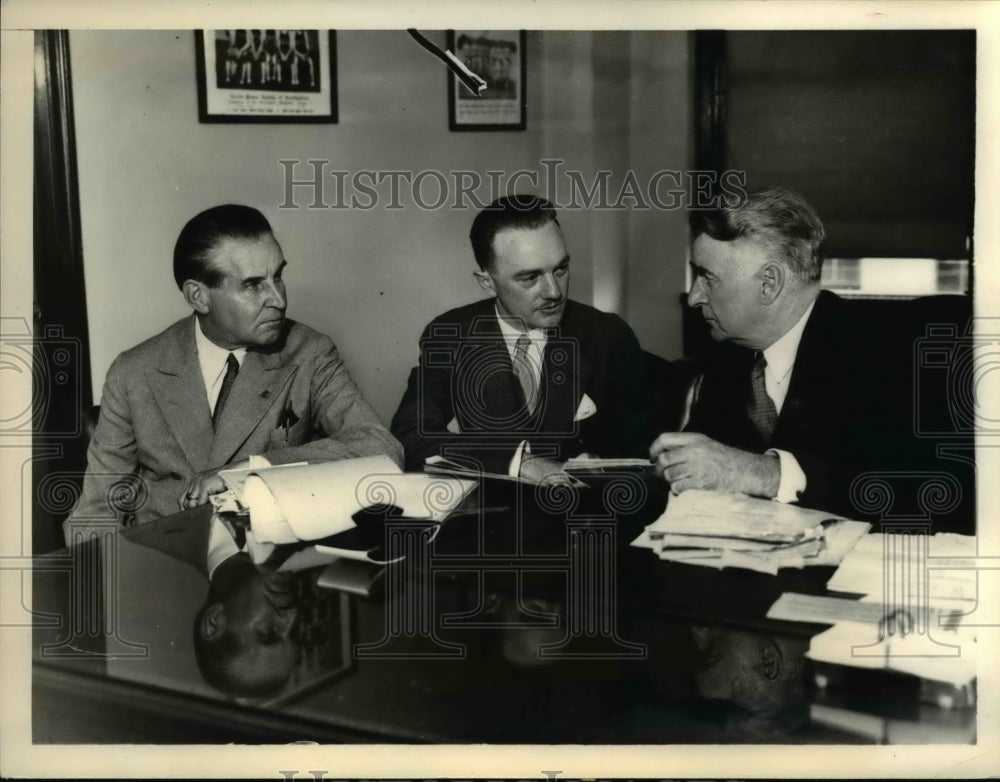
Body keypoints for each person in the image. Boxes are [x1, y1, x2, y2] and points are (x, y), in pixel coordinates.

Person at [65, 204, 401, 544]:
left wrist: (254, 469)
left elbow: (381, 449)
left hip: (269, 563)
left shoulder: (310, 352)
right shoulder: (134, 372)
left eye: (277, 276)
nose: (278, 299)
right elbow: (95, 512)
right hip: (166, 561)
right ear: (199, 297)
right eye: (253, 285)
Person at [649, 186, 885, 516]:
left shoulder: (879, 350)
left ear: (769, 283)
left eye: (707, 278)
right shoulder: (723, 361)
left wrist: (764, 474)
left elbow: (905, 483)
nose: (693, 298)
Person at [391, 194, 653, 483]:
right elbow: (410, 436)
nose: (554, 292)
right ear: (487, 283)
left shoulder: (608, 335)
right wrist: (518, 462)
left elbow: (646, 455)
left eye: (561, 269)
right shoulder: (450, 335)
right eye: (530, 278)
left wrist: (603, 467)